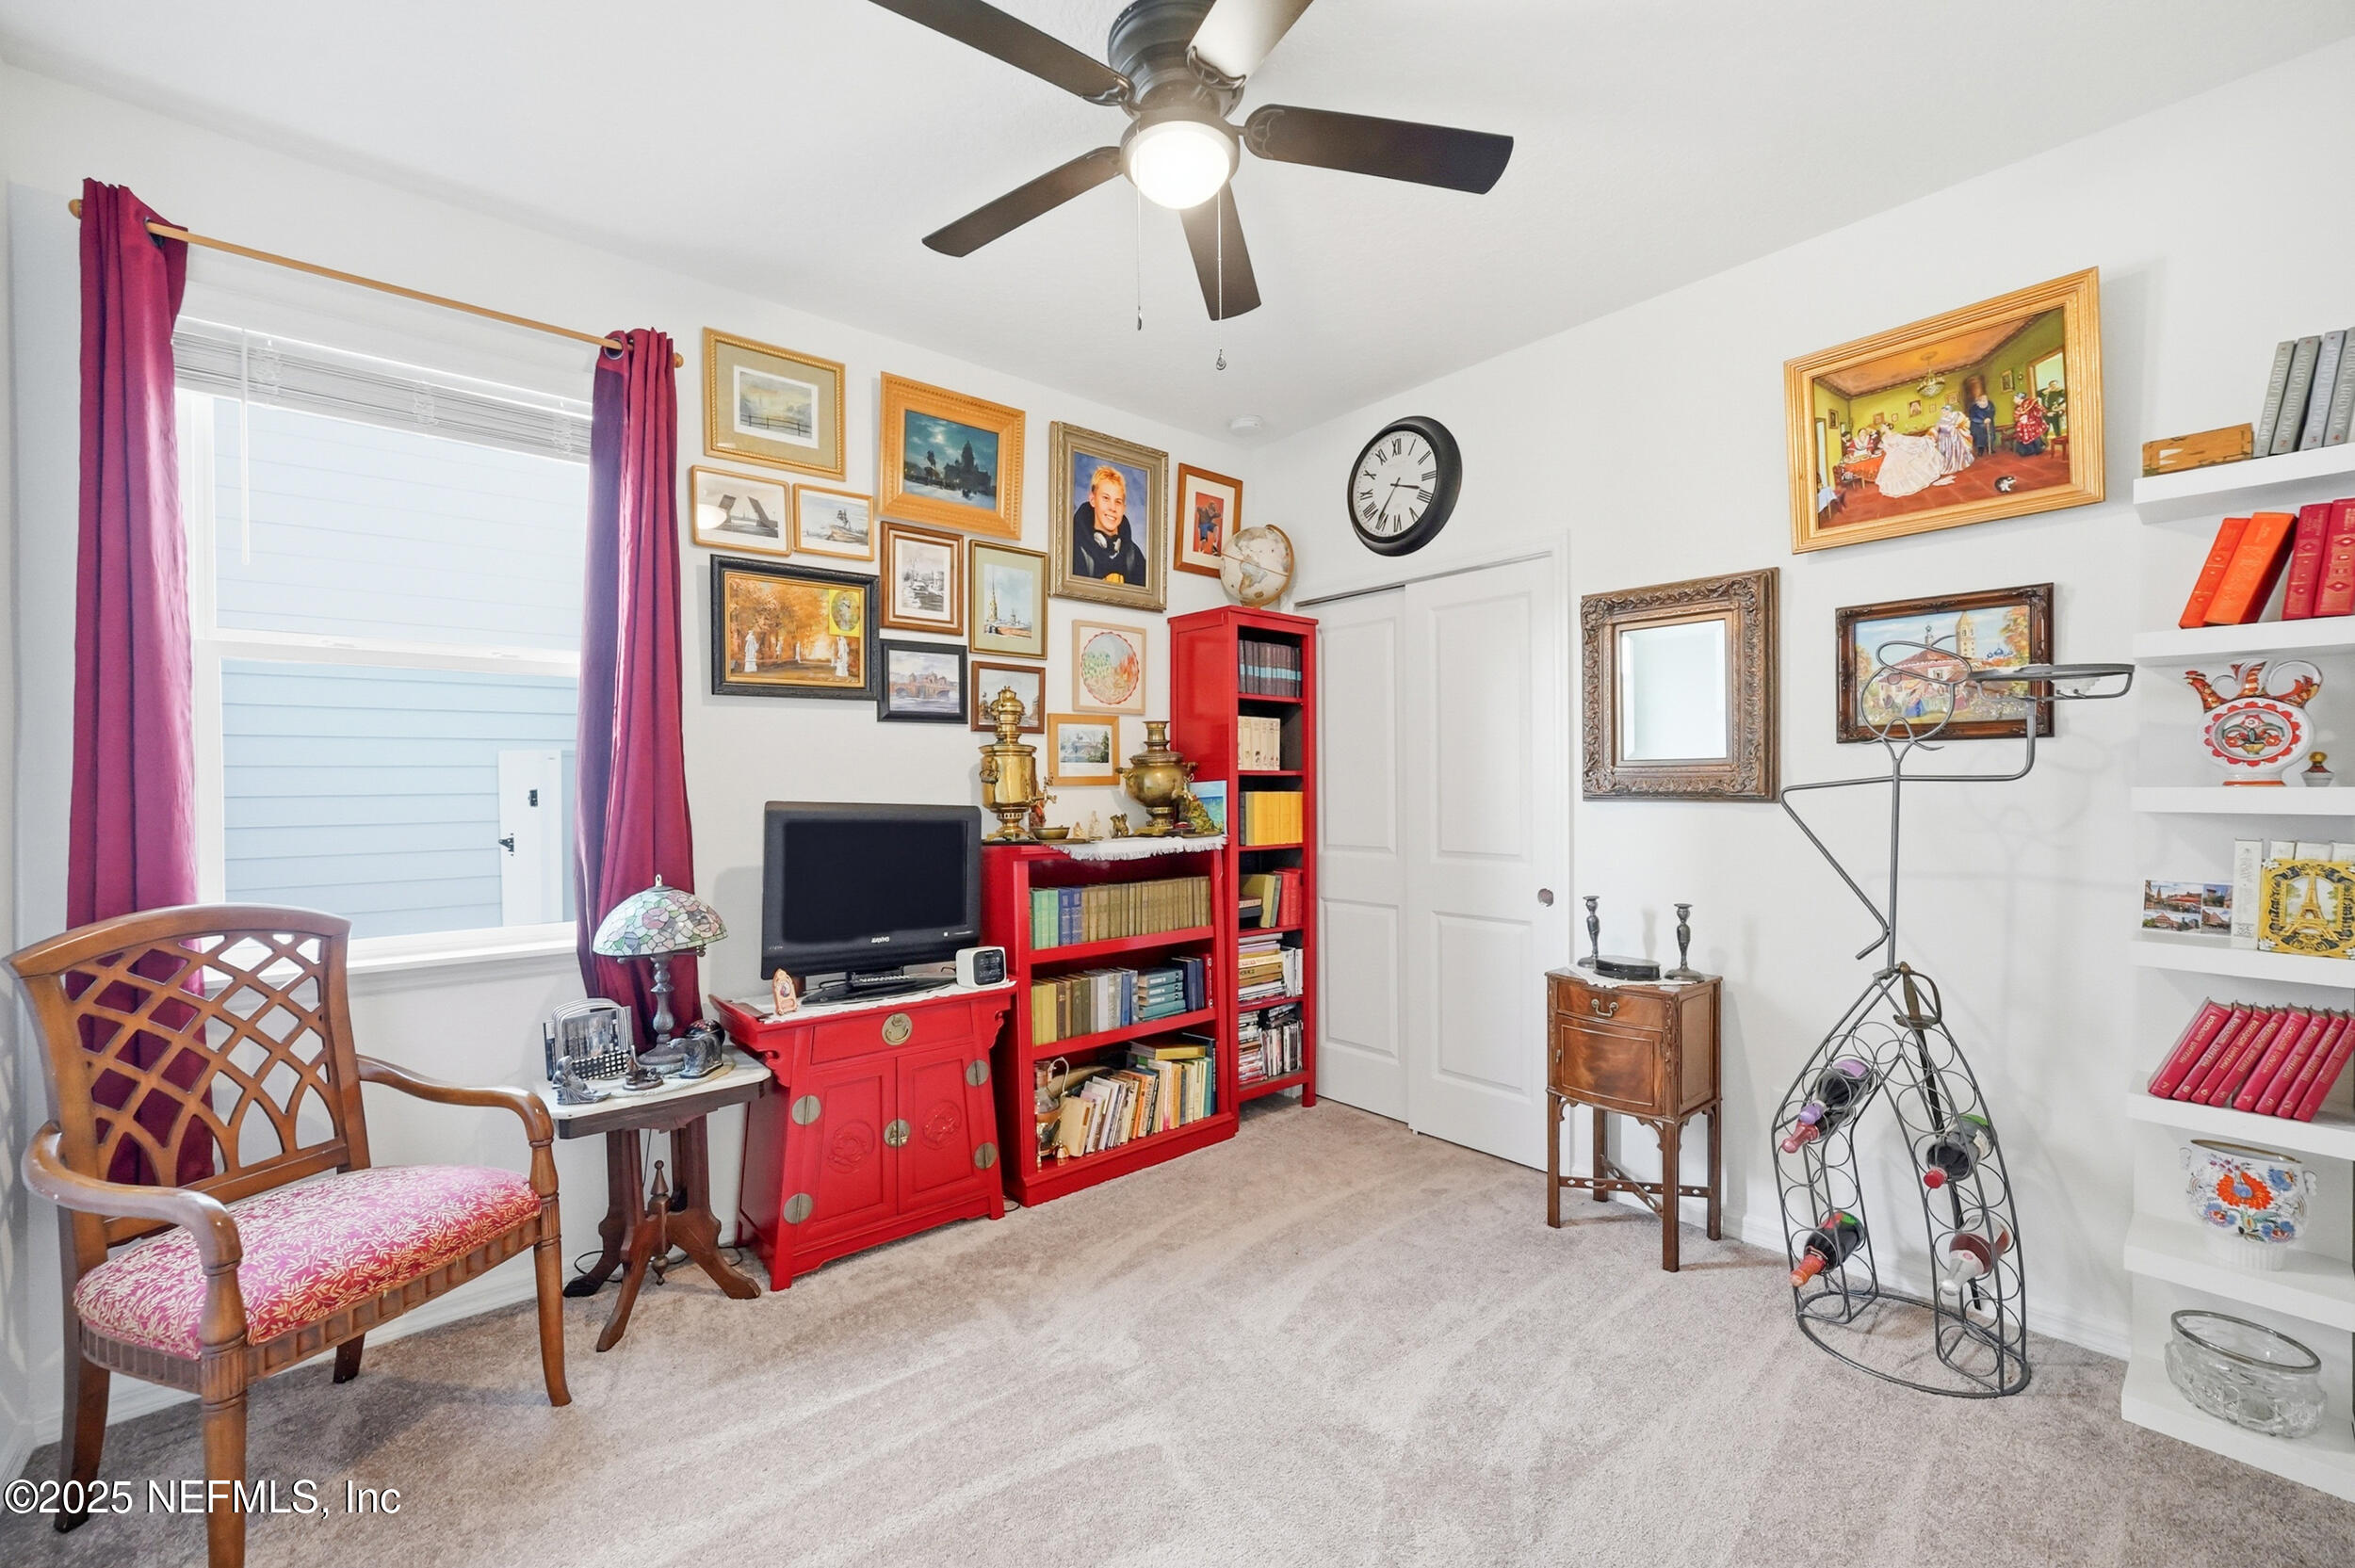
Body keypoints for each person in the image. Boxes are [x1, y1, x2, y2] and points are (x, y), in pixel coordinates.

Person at [1071, 465, 1147, 585]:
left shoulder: (1134, 556)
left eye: (1118, 502)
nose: (1112, 508)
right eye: (1106, 498)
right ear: (1092, 500)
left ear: (1124, 508)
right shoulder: (1073, 547)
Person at [1933, 403, 1973, 476]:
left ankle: (1959, 463)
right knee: (1945, 452)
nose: (1943, 413)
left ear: (1948, 411)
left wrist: (1955, 428)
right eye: (1942, 411)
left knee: (1956, 450)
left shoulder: (1955, 417)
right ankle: (1949, 465)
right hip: (1944, 439)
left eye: (1944, 411)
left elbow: (1961, 423)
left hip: (1954, 438)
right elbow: (1936, 429)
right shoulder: (1941, 420)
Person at [1965, 378, 1997, 456]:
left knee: (1991, 436)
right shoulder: (1974, 407)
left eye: (1985, 399)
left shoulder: (1990, 404)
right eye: (1981, 400)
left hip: (1989, 424)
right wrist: (1982, 421)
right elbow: (1972, 417)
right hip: (1978, 426)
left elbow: (1992, 411)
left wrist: (1989, 418)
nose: (1983, 401)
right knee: (1980, 438)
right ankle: (1980, 451)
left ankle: (1990, 448)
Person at [2011, 389, 2048, 456]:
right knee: (2024, 438)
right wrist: (2020, 419)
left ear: (2020, 398)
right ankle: (2029, 451)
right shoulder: (2018, 407)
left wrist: (2045, 412)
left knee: (2034, 435)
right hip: (2023, 426)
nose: (2013, 400)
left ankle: (2038, 449)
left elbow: (2041, 409)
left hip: (2032, 424)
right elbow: (2016, 417)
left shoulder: (2030, 403)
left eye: (2015, 398)